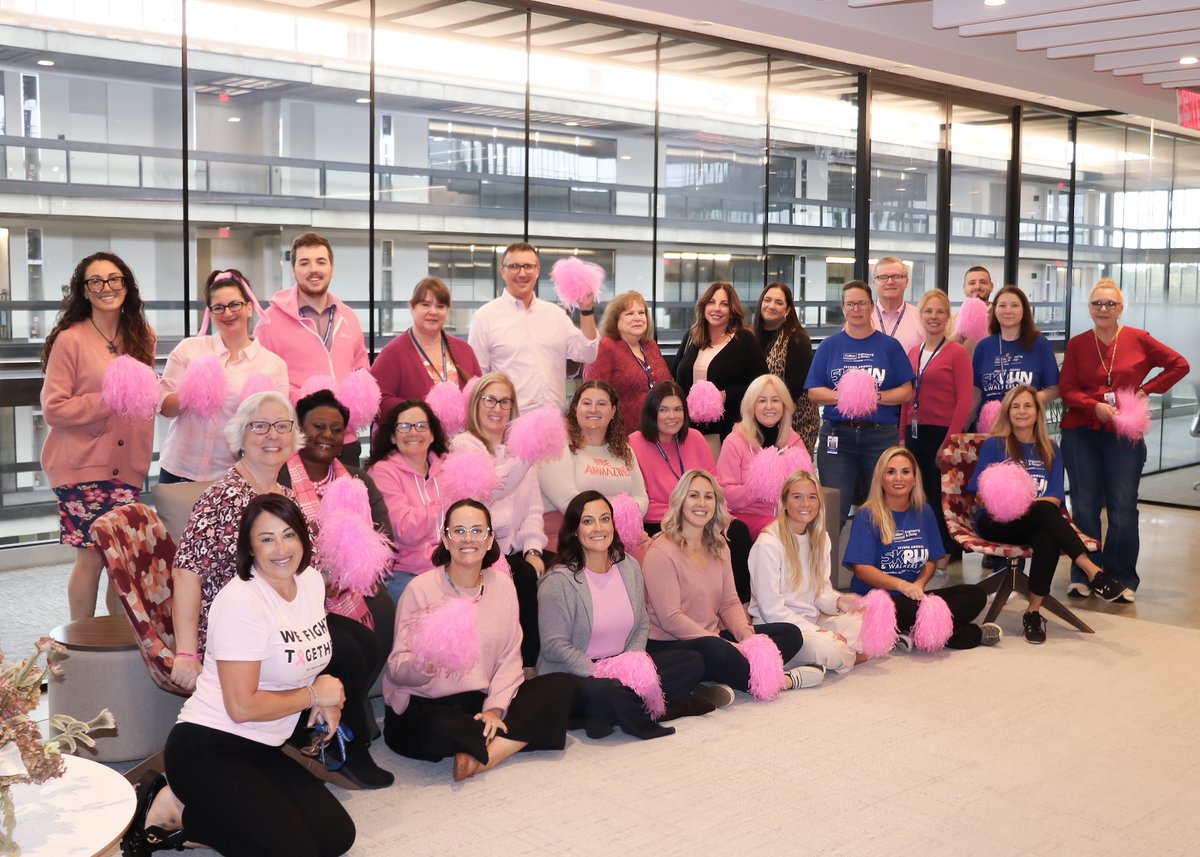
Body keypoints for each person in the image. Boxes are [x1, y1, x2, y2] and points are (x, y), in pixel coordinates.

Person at [169, 391, 392, 789]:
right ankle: (339, 748)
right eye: (259, 426)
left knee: (363, 640)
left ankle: (321, 730)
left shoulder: (284, 495)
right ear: (240, 434)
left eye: (282, 426)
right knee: (347, 652)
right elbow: (187, 572)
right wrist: (186, 652)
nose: (271, 435)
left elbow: (299, 568)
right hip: (237, 627)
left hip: (284, 614)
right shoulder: (222, 497)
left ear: (293, 437)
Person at [122, 495, 356, 857]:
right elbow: (241, 707)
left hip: (263, 748)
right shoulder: (240, 602)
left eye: (289, 535)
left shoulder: (308, 581)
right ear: (250, 547)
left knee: (336, 836)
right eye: (266, 539)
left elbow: (302, 649)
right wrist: (314, 696)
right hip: (208, 749)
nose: (281, 548)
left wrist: (328, 698)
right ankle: (172, 809)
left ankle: (196, 819)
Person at [382, 500, 578, 782]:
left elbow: (511, 658)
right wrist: (423, 663)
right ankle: (493, 740)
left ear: (489, 541)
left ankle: (481, 758)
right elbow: (396, 668)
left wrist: (495, 709)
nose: (468, 539)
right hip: (427, 704)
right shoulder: (420, 589)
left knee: (562, 686)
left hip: (480, 700)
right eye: (458, 531)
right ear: (446, 540)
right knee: (442, 729)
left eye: (477, 531)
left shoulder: (503, 586)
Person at [40, 251, 156, 620]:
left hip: (127, 467)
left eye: (114, 279)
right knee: (91, 558)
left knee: (119, 561)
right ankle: (81, 643)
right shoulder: (69, 340)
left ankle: (119, 643)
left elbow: (143, 400)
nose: (106, 287)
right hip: (81, 468)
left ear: (126, 285)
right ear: (85, 291)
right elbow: (54, 407)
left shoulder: (142, 336)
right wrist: (109, 399)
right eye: (96, 281)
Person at [1060, 279, 1189, 603]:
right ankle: (1086, 574)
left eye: (1110, 304)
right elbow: (1068, 389)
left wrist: (1145, 390)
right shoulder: (1077, 344)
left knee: (1123, 508)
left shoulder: (1138, 338)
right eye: (1097, 304)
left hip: (1123, 436)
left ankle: (1121, 576)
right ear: (1089, 309)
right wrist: (1094, 407)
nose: (1103, 309)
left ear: (1120, 308)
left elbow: (1179, 364)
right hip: (1081, 434)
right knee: (1085, 507)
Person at [642, 470, 822, 702]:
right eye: (693, 495)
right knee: (719, 651)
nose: (701, 503)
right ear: (680, 501)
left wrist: (747, 638)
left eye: (709, 497)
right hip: (672, 643)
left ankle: (720, 677)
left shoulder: (720, 547)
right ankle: (784, 680)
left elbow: (729, 603)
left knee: (790, 633)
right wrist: (724, 643)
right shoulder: (661, 551)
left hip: (713, 636)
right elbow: (670, 618)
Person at [969, 386, 1127, 643]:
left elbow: (1054, 498)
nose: (1021, 411)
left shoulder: (1050, 448)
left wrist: (1030, 504)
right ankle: (1093, 572)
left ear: (1038, 411)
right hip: (996, 521)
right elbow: (979, 492)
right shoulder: (996, 445)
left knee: (1047, 537)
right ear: (1008, 412)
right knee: (1043, 510)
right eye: (1016, 406)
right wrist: (1011, 500)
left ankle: (1032, 613)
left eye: (1028, 406)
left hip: (1037, 520)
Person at [537, 491, 703, 734]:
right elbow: (555, 646)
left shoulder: (629, 566)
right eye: (587, 521)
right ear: (574, 530)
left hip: (621, 665)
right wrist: (600, 672)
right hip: (580, 673)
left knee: (692, 662)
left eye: (605, 519)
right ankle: (666, 709)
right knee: (605, 692)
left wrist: (631, 666)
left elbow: (641, 624)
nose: (598, 527)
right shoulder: (558, 581)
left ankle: (606, 715)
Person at [278, 388, 396, 683]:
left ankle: (353, 700)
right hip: (293, 586)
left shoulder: (359, 480)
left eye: (336, 429)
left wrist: (345, 577)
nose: (327, 435)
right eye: (318, 426)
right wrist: (317, 583)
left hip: (352, 585)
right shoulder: (277, 478)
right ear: (299, 431)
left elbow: (383, 536)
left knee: (381, 607)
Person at [844, 447, 1001, 650]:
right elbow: (862, 569)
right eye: (890, 472)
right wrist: (901, 585)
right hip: (878, 601)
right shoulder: (867, 515)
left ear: (914, 478)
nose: (898, 478)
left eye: (905, 472)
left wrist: (918, 584)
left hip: (913, 595)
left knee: (975, 595)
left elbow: (931, 559)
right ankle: (969, 633)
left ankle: (913, 632)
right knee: (917, 612)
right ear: (880, 479)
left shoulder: (924, 511)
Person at [449, 372, 547, 667]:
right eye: (489, 399)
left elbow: (533, 508)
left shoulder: (517, 449)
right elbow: (491, 487)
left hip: (516, 549)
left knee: (559, 571)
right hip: (479, 550)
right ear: (476, 404)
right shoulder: (464, 445)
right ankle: (519, 666)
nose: (497, 407)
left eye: (505, 401)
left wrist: (533, 549)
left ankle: (540, 663)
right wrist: (526, 455)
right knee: (524, 577)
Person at [158, 269, 288, 483]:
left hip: (234, 477)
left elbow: (277, 428)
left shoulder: (273, 365)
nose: (227, 313)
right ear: (210, 313)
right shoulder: (189, 349)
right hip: (178, 471)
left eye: (235, 304)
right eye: (219, 307)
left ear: (249, 308)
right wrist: (190, 392)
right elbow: (163, 407)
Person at [806, 281, 915, 527]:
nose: (856, 309)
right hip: (837, 437)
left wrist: (872, 397)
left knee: (881, 509)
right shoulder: (829, 345)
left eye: (862, 303)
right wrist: (847, 396)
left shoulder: (889, 346)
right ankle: (827, 566)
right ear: (843, 308)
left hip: (879, 437)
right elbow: (813, 391)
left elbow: (906, 391)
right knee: (833, 511)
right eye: (851, 304)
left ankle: (875, 565)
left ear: (871, 307)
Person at [257, 232, 369, 465]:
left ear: (332, 268)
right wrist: (304, 403)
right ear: (293, 270)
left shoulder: (349, 317)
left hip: (344, 439)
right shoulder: (270, 322)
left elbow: (361, 372)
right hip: (296, 440)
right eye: (304, 263)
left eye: (321, 261)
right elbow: (263, 385)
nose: (313, 269)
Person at [748, 471, 865, 673]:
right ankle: (845, 656)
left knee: (864, 622)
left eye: (812, 497)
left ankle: (822, 659)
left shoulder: (821, 538)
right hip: (781, 630)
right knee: (831, 648)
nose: (805, 504)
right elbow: (771, 611)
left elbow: (821, 593)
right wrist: (820, 633)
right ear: (784, 502)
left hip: (813, 621)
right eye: (797, 497)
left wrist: (840, 602)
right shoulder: (768, 544)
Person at [468, 241, 599, 412]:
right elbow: (478, 378)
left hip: (555, 422)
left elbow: (587, 353)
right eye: (514, 266)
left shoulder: (556, 315)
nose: (522, 273)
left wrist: (586, 309)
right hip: (508, 423)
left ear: (537, 271)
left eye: (528, 266)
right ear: (503, 271)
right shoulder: (485, 317)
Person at [714, 374, 808, 601]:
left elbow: (807, 485)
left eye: (775, 400)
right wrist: (759, 487)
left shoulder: (794, 441)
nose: (769, 407)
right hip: (745, 518)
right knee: (779, 531)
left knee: (810, 530)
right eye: (761, 400)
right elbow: (723, 492)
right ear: (750, 405)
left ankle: (802, 597)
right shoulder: (735, 440)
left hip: (784, 517)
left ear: (784, 405)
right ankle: (753, 601)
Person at [899, 289, 972, 566]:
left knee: (941, 496)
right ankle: (922, 548)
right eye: (929, 311)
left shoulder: (957, 353)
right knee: (919, 494)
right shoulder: (913, 352)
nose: (934, 316)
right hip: (915, 433)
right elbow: (907, 396)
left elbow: (964, 400)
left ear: (947, 318)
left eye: (940, 311)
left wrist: (949, 441)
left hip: (942, 433)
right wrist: (902, 437)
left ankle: (943, 551)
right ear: (921, 315)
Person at [539, 379, 649, 552]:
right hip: (569, 532)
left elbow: (641, 497)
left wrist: (624, 519)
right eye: (586, 403)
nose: (593, 409)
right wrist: (610, 520)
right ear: (575, 408)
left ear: (613, 411)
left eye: (601, 404)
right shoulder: (557, 444)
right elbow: (567, 502)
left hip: (618, 532)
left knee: (656, 555)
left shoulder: (623, 448)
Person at [366, 400, 449, 604]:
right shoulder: (382, 472)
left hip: (450, 565)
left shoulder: (448, 468)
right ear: (393, 437)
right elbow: (405, 530)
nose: (413, 432)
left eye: (421, 426)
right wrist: (447, 500)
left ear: (432, 435)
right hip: (405, 572)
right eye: (404, 427)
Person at [370, 276, 481, 422]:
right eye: (425, 304)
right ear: (411, 307)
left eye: (440, 306)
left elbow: (480, 395)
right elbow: (378, 403)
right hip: (413, 440)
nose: (433, 311)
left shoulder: (464, 350)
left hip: (461, 441)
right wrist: (422, 410)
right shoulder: (393, 353)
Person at [672, 282, 769, 442]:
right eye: (711, 302)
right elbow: (675, 377)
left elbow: (761, 385)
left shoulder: (744, 340)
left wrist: (726, 395)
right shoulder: (691, 337)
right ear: (703, 307)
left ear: (732, 311)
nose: (716, 308)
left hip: (726, 430)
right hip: (687, 430)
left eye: (724, 304)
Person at [629, 380, 715, 535]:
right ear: (652, 412)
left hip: (701, 518)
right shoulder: (634, 444)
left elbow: (715, 485)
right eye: (664, 410)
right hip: (661, 524)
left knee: (737, 531)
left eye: (677, 409)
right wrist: (685, 512)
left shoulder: (695, 438)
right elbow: (642, 504)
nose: (672, 416)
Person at [582, 290, 672, 435]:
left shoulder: (651, 346)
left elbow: (669, 385)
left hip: (659, 432)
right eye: (629, 314)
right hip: (620, 436)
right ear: (615, 319)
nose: (638, 318)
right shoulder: (606, 347)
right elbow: (594, 393)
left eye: (641, 313)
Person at [753, 282, 819, 455]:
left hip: (794, 426)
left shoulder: (797, 338)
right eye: (767, 300)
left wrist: (769, 414)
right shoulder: (750, 336)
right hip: (759, 424)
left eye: (779, 302)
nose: (771, 306)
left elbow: (794, 388)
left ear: (788, 310)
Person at [973, 284, 1060, 407]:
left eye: (1015, 305)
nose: (1008, 310)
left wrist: (1025, 403)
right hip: (990, 423)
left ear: (1024, 310)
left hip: (1026, 421)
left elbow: (1054, 388)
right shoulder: (983, 347)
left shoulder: (1040, 344)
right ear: (995, 311)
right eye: (1002, 305)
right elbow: (975, 391)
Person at [870, 256, 923, 353]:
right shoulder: (861, 316)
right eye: (883, 277)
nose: (890, 282)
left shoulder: (921, 318)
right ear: (874, 283)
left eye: (896, 276)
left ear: (906, 282)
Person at [948, 265, 996, 357]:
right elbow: (942, 352)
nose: (977, 287)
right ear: (964, 287)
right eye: (972, 283)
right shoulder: (951, 321)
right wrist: (960, 334)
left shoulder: (1001, 318)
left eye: (983, 282)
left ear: (991, 286)